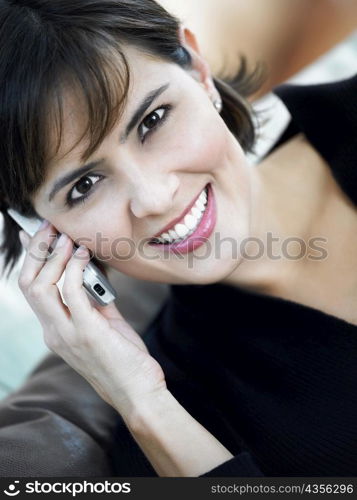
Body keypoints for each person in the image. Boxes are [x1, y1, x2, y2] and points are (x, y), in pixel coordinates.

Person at [0, 0, 356, 477]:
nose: (154, 198)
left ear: (198, 70)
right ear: (38, 226)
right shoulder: (176, 409)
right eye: (83, 186)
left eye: (153, 119)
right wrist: (141, 400)